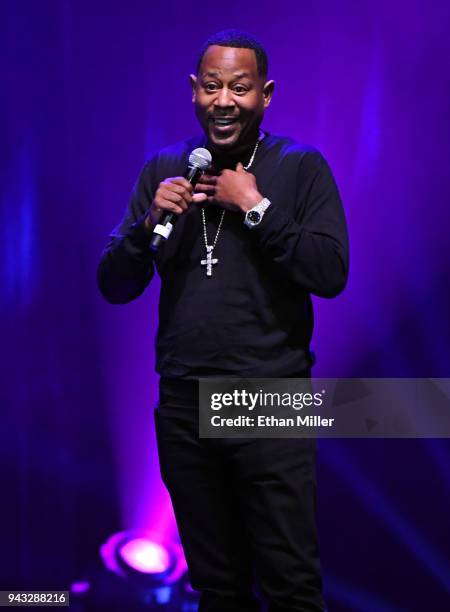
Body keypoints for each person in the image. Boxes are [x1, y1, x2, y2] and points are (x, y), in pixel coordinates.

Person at [98, 29, 348, 612]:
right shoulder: (165, 168)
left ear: (265, 94)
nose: (224, 100)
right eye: (212, 87)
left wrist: (255, 207)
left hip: (271, 394)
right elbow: (113, 284)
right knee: (215, 586)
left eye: (240, 87)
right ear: (193, 92)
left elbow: (331, 271)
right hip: (185, 398)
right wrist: (147, 225)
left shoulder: (300, 167)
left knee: (289, 583)